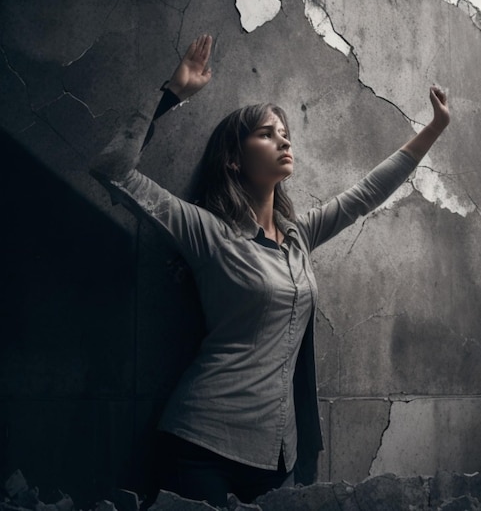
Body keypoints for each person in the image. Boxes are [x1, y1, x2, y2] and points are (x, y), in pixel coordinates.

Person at [90, 34, 450, 507]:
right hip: (200, 446)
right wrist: (171, 94)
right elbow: (112, 169)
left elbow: (367, 193)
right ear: (234, 158)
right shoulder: (208, 232)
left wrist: (435, 128)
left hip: (277, 455)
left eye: (284, 132)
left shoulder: (298, 237)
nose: (282, 138)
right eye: (266, 132)